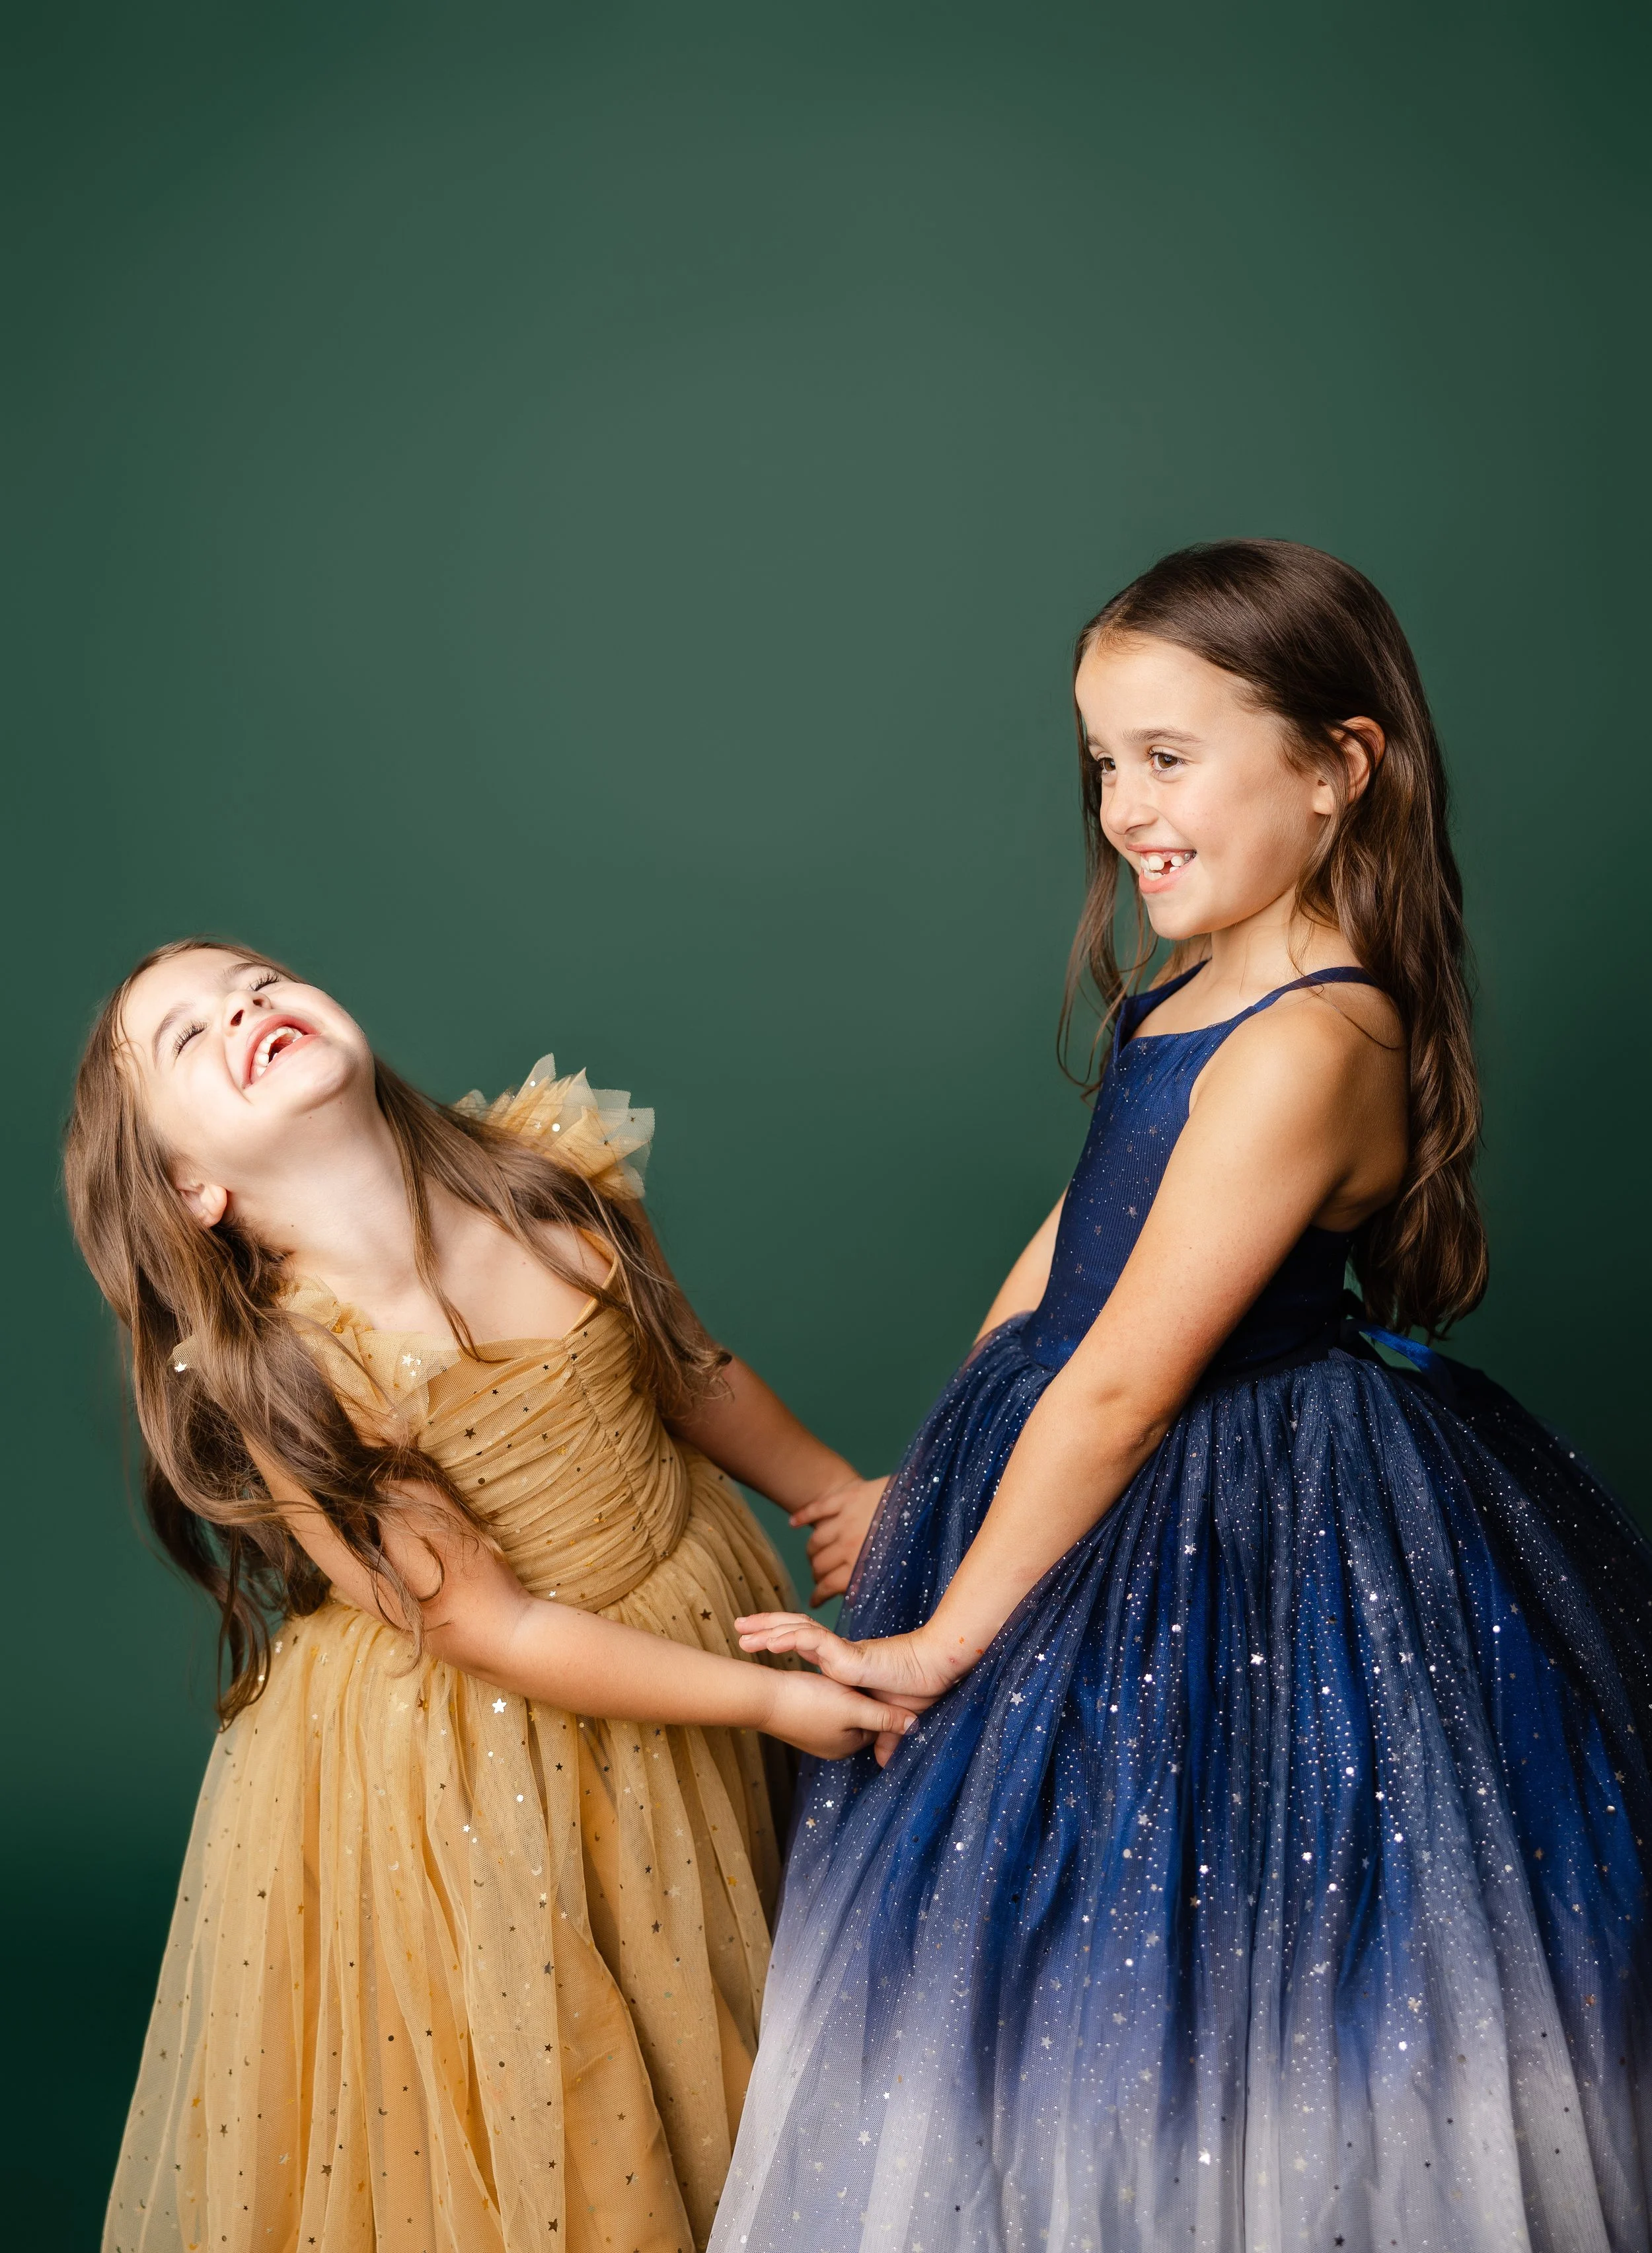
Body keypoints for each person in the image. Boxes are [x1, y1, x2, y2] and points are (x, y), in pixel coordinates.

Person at [722, 541, 1652, 2253]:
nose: (1123, 806)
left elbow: (1133, 1378)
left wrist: (939, 1639)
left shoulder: (1316, 1031)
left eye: (1167, 757)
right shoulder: (1182, 990)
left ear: (1333, 766)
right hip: (1073, 1464)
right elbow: (1057, 1269)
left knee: (1234, 1906)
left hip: (1248, 1511)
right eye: (1100, 763)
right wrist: (928, 1481)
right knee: (1037, 1919)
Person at [66, 940, 912, 2253]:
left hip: (680, 1596)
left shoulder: (541, 1183)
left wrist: (830, 1495)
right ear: (193, 1187)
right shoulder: (298, 1372)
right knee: (579, 2072)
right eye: (186, 1036)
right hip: (495, 1744)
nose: (241, 1005)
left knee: (741, 2009)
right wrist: (767, 1697)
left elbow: (686, 1373)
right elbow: (498, 1630)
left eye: (252, 977)